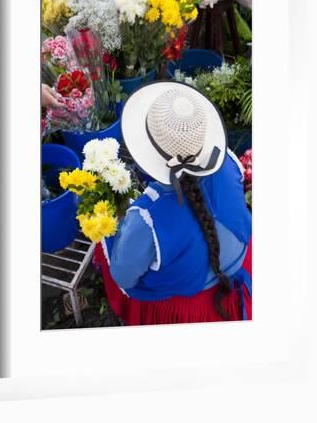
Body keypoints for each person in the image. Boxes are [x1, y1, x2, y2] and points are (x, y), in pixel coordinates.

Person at [94, 81, 252, 325]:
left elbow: (124, 277)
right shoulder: (229, 162)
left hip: (186, 308)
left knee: (105, 239)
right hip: (234, 266)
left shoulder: (146, 217)